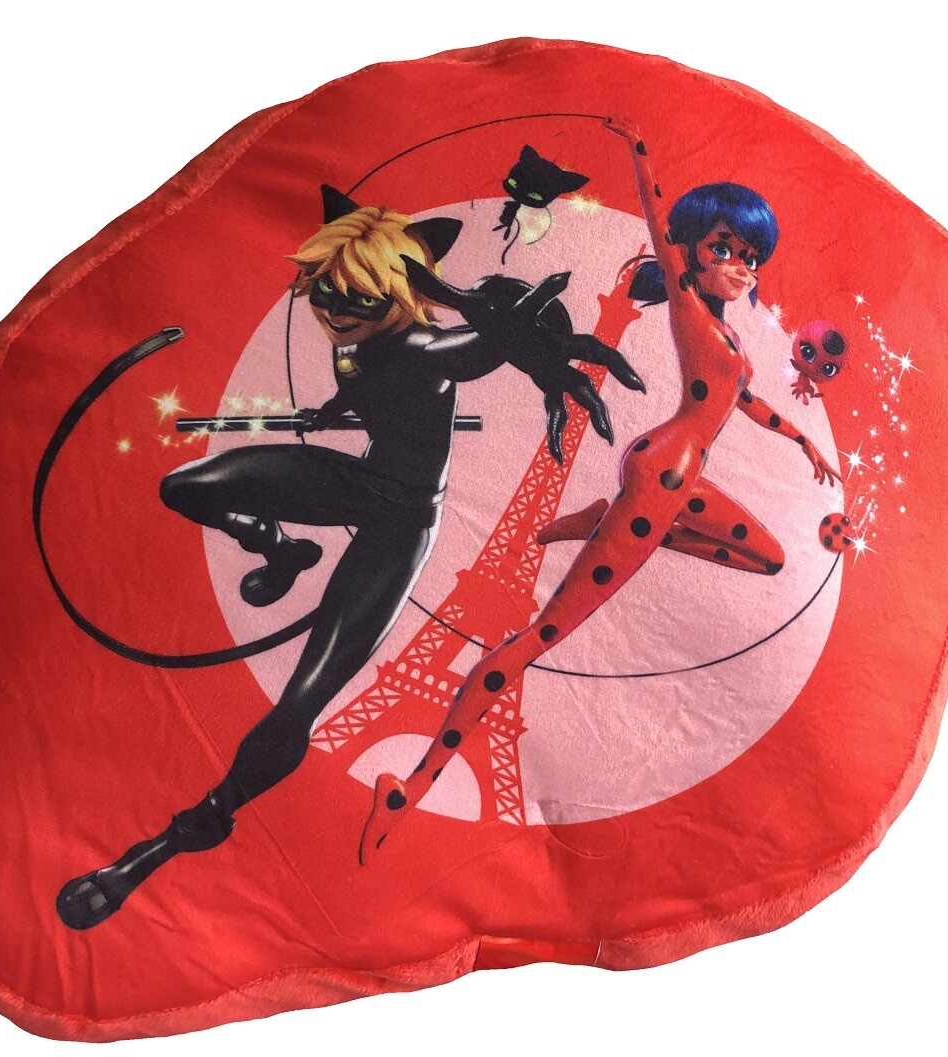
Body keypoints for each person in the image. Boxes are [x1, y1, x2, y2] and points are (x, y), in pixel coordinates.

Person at [56, 184, 644, 928]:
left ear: (398, 294)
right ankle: (279, 547)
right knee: (187, 486)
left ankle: (195, 825)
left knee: (304, 698)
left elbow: (467, 350)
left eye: (359, 297)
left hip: (402, 519)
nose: (336, 309)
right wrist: (337, 409)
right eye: (326, 290)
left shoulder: (425, 347)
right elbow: (371, 382)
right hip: (359, 483)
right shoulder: (356, 342)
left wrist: (506, 332)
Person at [359, 118, 841, 863]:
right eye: (724, 249)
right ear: (693, 253)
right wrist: (639, 150)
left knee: (771, 557)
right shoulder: (688, 304)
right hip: (666, 471)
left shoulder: (728, 338)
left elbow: (740, 400)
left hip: (677, 476)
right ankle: (411, 786)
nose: (742, 266)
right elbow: (658, 223)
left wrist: (802, 438)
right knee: (540, 637)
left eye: (751, 257)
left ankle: (604, 519)